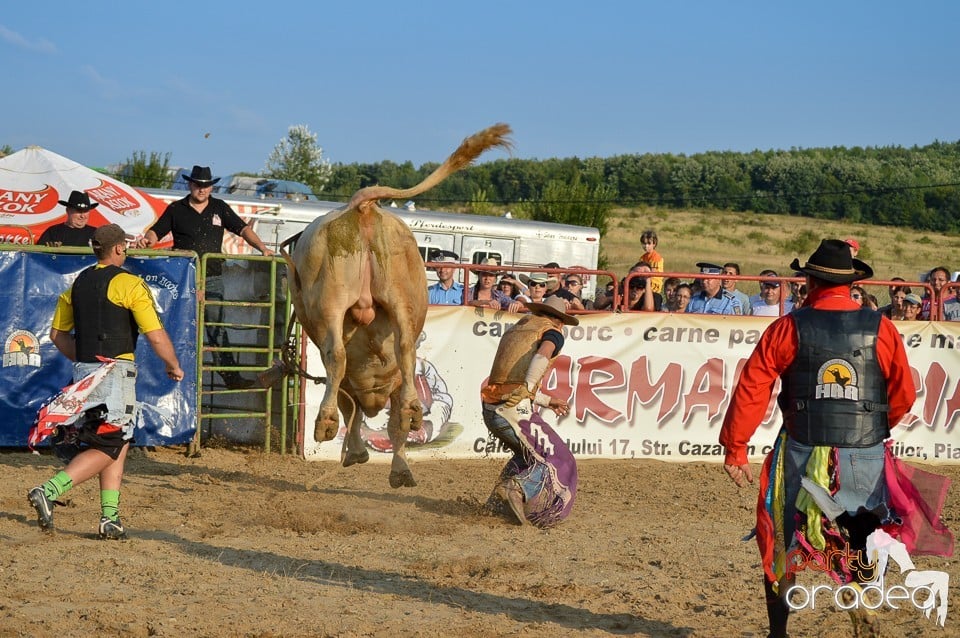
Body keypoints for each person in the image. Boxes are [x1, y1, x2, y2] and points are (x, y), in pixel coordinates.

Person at [719, 239, 952, 637]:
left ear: (810, 280)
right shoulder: (881, 328)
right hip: (862, 451)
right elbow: (903, 395)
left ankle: (779, 631)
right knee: (857, 540)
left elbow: (753, 386)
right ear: (850, 283)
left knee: (781, 536)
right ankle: (862, 612)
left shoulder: (787, 327)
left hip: (801, 447)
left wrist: (736, 448)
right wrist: (875, 429)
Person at [28, 224, 184, 539]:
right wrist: (173, 364)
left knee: (115, 442)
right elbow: (155, 335)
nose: (125, 251)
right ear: (116, 249)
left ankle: (110, 518)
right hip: (115, 374)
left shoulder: (77, 285)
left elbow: (57, 336)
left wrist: (87, 362)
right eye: (124, 247)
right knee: (110, 444)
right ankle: (50, 489)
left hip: (84, 376)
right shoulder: (129, 284)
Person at [139, 165, 274, 389]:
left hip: (211, 276)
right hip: (183, 279)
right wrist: (148, 239)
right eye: (198, 185)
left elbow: (242, 229)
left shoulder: (219, 208)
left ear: (211, 188)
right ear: (190, 184)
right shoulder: (176, 209)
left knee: (216, 325)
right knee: (179, 324)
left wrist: (263, 247)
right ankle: (173, 373)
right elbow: (156, 231)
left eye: (205, 186)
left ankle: (230, 378)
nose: (201, 189)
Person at [480, 295, 578, 528]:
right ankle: (516, 488)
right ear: (560, 321)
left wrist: (544, 400)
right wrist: (528, 387)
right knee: (556, 459)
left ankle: (495, 504)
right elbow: (543, 355)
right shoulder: (552, 332)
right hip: (513, 411)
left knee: (526, 455)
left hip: (491, 409)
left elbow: (509, 379)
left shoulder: (519, 327)